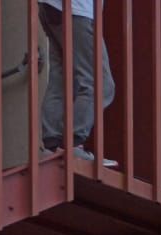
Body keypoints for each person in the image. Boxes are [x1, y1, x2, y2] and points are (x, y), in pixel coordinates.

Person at [37, 0, 116, 165]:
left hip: (52, 8)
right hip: (77, 9)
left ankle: (52, 143)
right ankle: (72, 142)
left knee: (63, 80)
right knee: (100, 84)